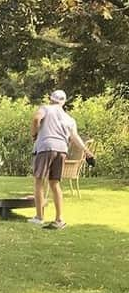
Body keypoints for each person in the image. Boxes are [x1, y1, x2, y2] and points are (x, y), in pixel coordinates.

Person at [29, 89, 94, 230]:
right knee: (55, 183)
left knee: (38, 181)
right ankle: (59, 219)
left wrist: (34, 134)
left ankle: (39, 217)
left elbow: (36, 119)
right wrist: (86, 151)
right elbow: (75, 137)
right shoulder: (69, 118)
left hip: (46, 147)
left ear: (51, 99)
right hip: (61, 150)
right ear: (64, 102)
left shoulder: (45, 108)